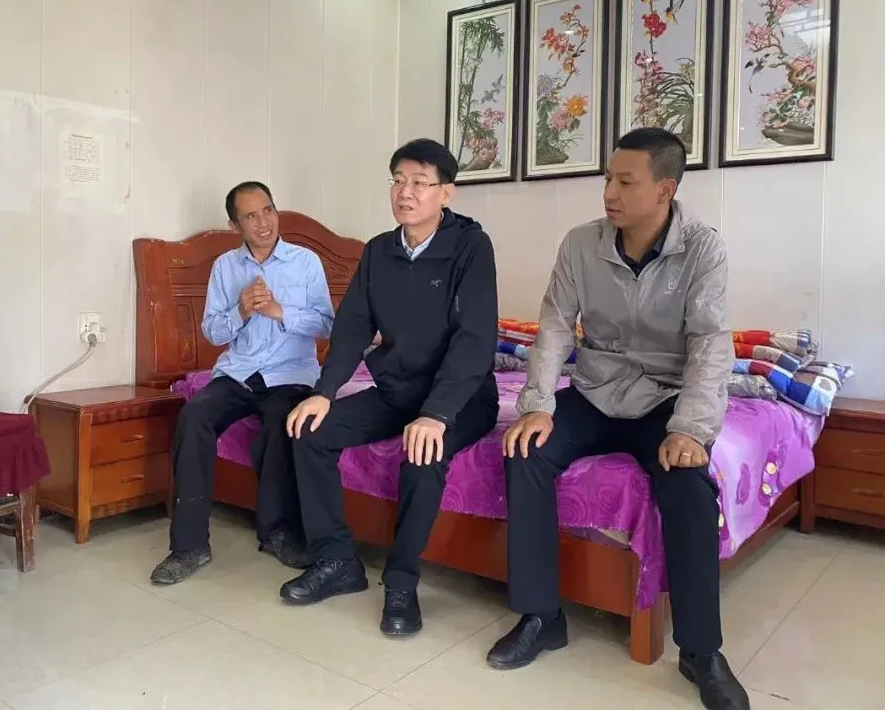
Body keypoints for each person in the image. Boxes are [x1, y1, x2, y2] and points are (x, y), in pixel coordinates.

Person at [486, 128, 748, 710]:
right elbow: (555, 326)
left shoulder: (703, 249)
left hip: (665, 398)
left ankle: (700, 650)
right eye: (607, 179)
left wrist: (691, 429)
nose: (609, 192)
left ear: (665, 190)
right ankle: (541, 616)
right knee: (524, 451)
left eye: (625, 182)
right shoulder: (581, 244)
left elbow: (711, 343)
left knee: (688, 486)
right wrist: (537, 404)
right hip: (596, 390)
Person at [280, 138, 499, 636]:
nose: (406, 192)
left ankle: (401, 582)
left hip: (459, 397)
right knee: (309, 431)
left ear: (446, 193)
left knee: (423, 454)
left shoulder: (470, 247)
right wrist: (324, 391)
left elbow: (475, 339)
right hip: (396, 390)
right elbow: (353, 327)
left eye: (420, 182)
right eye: (398, 181)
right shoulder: (379, 251)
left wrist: (437, 413)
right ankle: (337, 561)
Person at [150, 181, 334, 586]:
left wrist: (279, 310)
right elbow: (213, 332)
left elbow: (327, 324)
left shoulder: (305, 262)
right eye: (251, 216)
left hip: (290, 374)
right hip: (238, 373)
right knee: (193, 417)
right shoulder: (225, 267)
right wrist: (242, 311)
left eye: (268, 210)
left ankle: (277, 533)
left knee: (281, 424)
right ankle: (189, 547)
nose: (264, 222)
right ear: (235, 225)